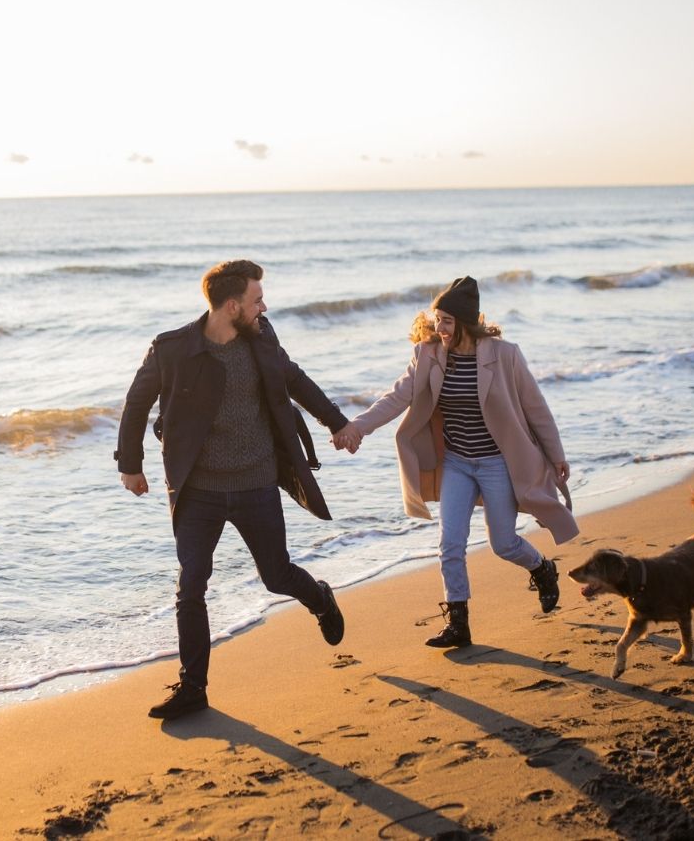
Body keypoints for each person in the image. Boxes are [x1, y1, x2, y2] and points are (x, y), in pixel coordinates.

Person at [116, 259, 349, 720]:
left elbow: (296, 380)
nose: (264, 306)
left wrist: (338, 424)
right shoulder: (173, 349)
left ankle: (320, 598)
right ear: (230, 306)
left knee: (277, 575)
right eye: (256, 299)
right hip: (197, 490)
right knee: (191, 586)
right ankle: (193, 687)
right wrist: (131, 465)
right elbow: (137, 401)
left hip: (256, 482)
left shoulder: (261, 338)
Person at [332, 275, 576, 648]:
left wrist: (556, 455)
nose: (439, 328)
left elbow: (535, 408)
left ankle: (543, 569)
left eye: (447, 321)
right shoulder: (428, 354)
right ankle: (458, 623)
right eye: (436, 319)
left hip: (496, 463)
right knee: (450, 544)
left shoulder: (504, 354)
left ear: (465, 321)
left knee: (505, 544)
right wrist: (356, 427)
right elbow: (396, 398)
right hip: (457, 463)